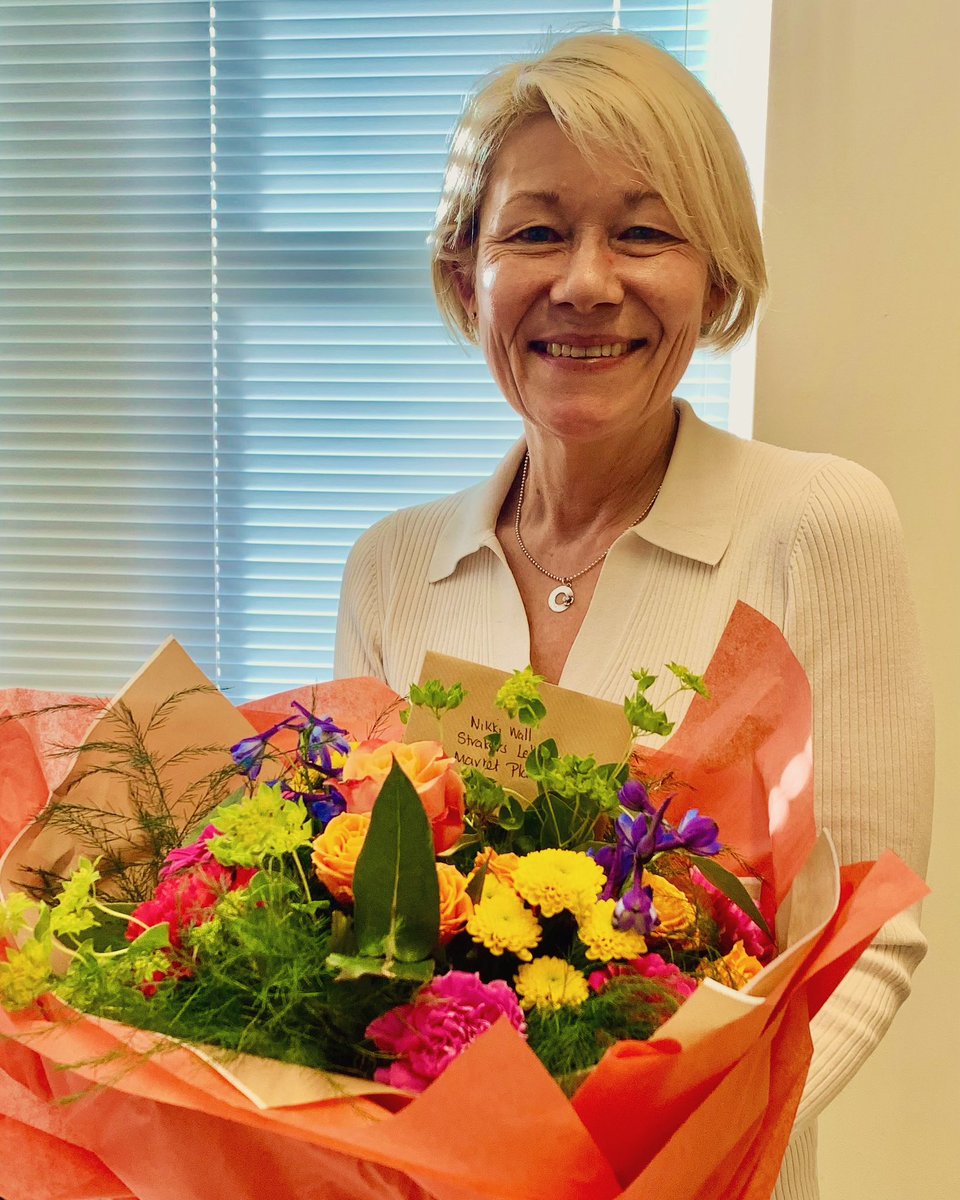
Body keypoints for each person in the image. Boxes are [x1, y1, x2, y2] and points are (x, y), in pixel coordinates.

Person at [334, 31, 933, 1200]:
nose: (587, 281)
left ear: (717, 280)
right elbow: (359, 930)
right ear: (469, 276)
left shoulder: (816, 523)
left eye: (644, 231)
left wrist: (676, 1168)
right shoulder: (393, 566)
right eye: (537, 230)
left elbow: (871, 937)